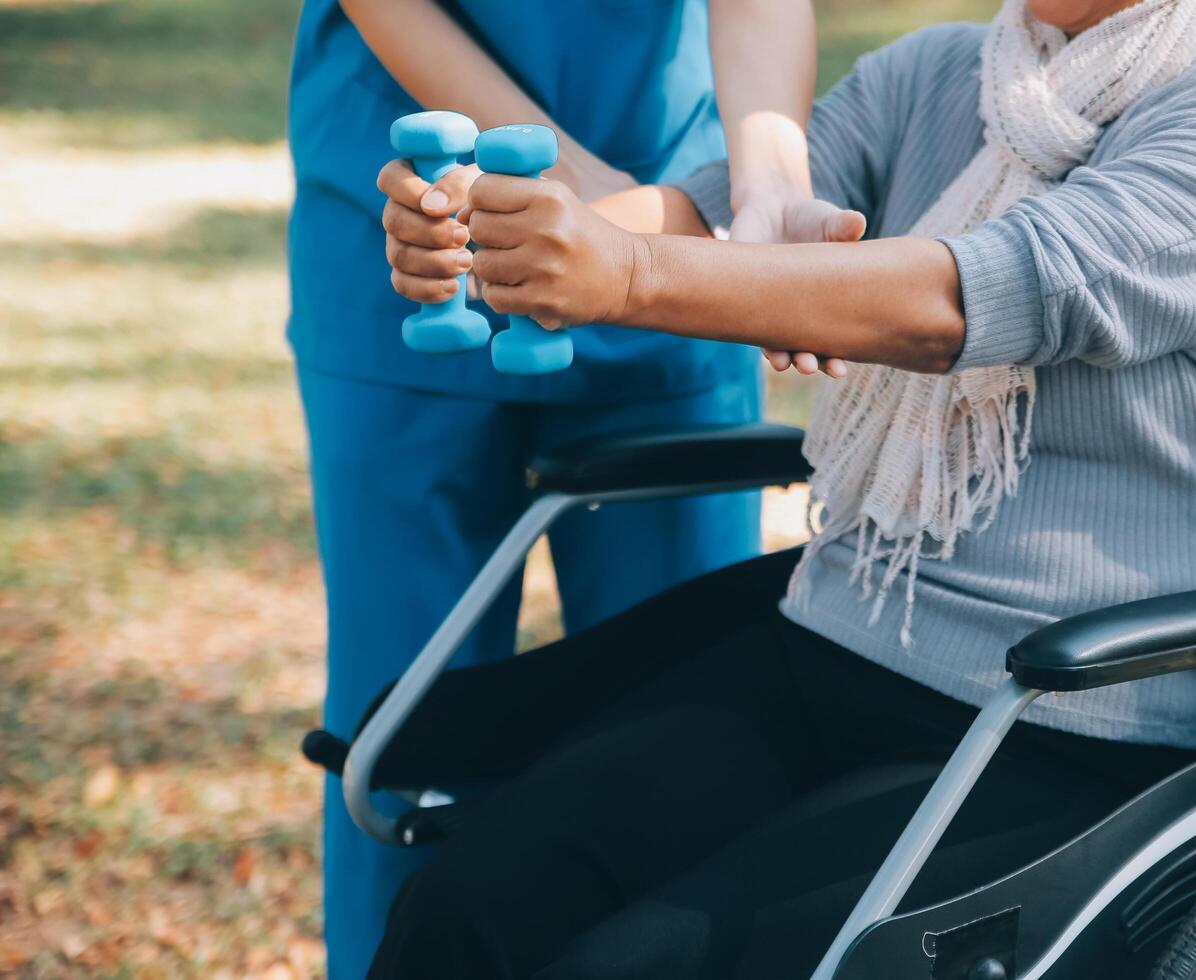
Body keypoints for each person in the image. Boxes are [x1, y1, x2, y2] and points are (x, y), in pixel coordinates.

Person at [367, 0, 1196, 975]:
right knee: (467, 908)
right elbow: (713, 222)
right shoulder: (934, 73)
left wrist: (624, 271)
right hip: (828, 644)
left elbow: (963, 295)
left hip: (1058, 723)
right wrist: (486, 231)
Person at [285, 0, 824, 974]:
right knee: (402, 731)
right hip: (415, 244)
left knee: (684, 724)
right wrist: (572, 182)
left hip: (668, 235)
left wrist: (764, 187)